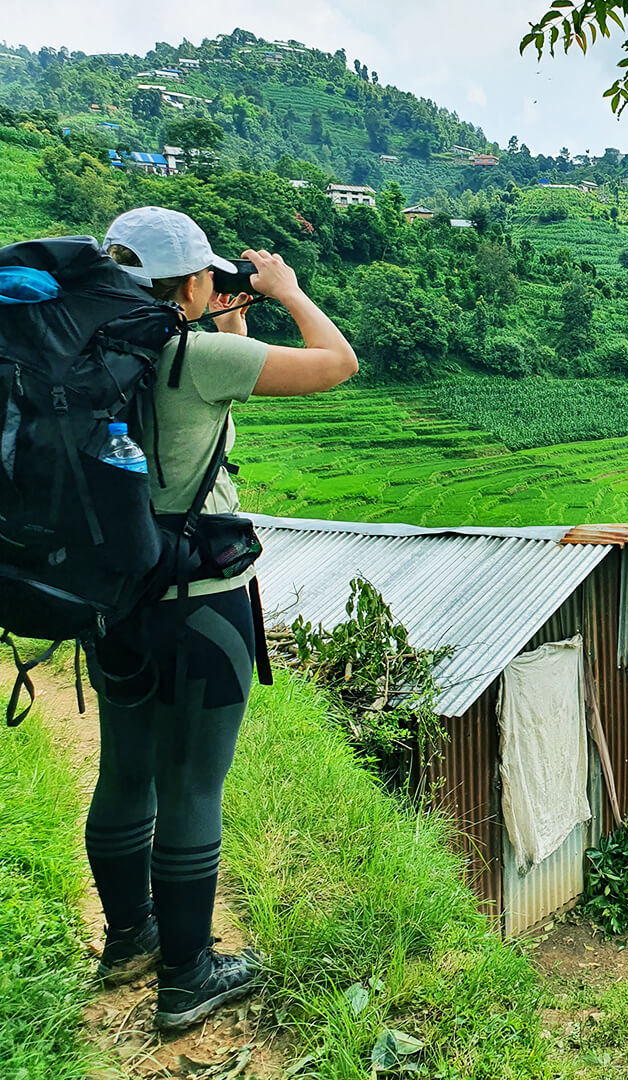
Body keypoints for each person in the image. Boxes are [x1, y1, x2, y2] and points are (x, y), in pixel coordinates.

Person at [88, 206, 358, 1032]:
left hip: (114, 598)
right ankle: (188, 975)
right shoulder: (196, 356)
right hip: (201, 606)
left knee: (125, 769)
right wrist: (287, 288)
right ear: (192, 283)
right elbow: (337, 362)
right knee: (193, 784)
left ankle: (131, 936)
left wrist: (228, 325)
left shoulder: (88, 350)